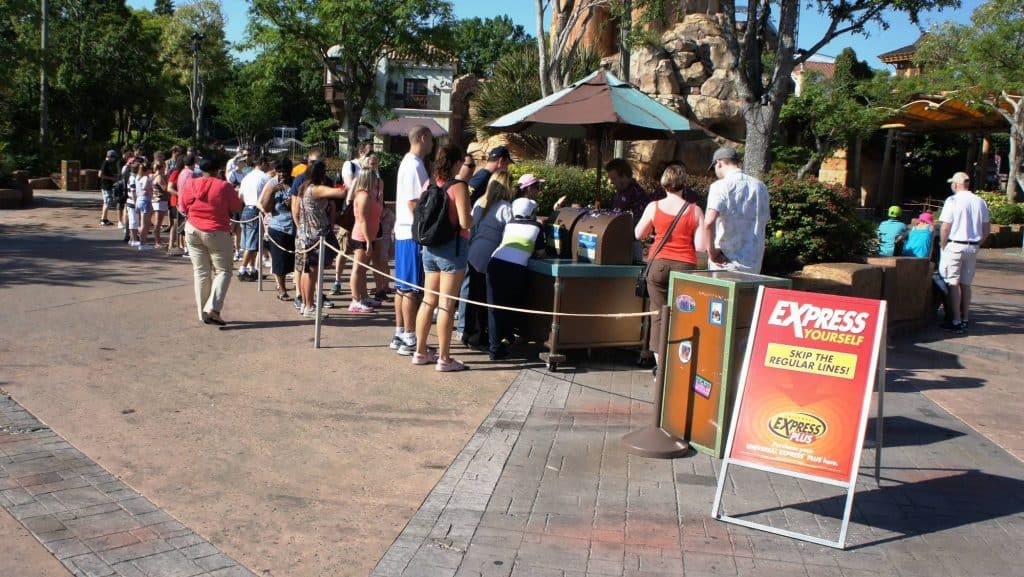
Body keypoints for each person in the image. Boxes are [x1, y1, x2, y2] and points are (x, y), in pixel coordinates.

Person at [634, 165, 706, 366]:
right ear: (684, 184)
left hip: (659, 266)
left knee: (658, 314)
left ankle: (661, 365)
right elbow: (701, 246)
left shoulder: (654, 207)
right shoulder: (695, 210)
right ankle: (681, 363)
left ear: (663, 183)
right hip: (686, 268)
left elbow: (638, 234)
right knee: (683, 315)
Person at [412, 145, 474, 372]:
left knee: (428, 301)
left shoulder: (429, 183)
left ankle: (420, 351)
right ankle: (445, 358)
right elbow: (465, 222)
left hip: (430, 248)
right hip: (452, 249)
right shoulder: (458, 186)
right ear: (457, 163)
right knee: (447, 305)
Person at [179, 156, 243, 326]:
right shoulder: (224, 186)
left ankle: (203, 312)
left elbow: (183, 206)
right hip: (217, 231)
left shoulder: (191, 183)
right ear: (218, 169)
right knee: (223, 271)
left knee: (201, 272)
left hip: (192, 228)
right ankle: (212, 309)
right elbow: (236, 207)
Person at [487, 198, 548, 360]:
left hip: (494, 264)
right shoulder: (537, 227)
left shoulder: (510, 224)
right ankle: (505, 340)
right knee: (511, 305)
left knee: (494, 308)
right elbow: (541, 253)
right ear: (531, 213)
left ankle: (495, 347)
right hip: (515, 269)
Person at [392, 125, 434, 355]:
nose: (432, 146)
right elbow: (413, 202)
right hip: (411, 233)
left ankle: (401, 333)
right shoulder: (414, 165)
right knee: (410, 289)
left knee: (402, 287)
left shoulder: (410, 163)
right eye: (431, 141)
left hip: (405, 232)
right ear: (423, 138)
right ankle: (409, 336)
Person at [462, 170, 515, 348]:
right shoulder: (506, 208)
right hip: (490, 254)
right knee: (486, 299)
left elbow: (471, 227)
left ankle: (468, 333)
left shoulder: (480, 202)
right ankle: (481, 335)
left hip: (473, 251)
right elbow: (511, 234)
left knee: (472, 296)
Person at [292, 161, 346, 319]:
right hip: (314, 237)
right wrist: (352, 182)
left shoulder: (303, 187)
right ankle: (309, 306)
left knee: (305, 271)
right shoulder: (315, 189)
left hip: (303, 235)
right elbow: (340, 194)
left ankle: (304, 303)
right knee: (311, 273)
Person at [702, 147, 771, 272]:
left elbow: (709, 222)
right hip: (753, 263)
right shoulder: (761, 187)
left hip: (725, 262)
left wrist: (712, 253)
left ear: (719, 163)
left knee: (719, 292)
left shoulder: (720, 186)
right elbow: (763, 221)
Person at [938, 171, 990, 333]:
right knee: (966, 284)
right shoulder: (980, 201)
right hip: (972, 246)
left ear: (957, 184)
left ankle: (956, 320)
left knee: (953, 282)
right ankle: (965, 318)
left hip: (955, 245)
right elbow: (986, 230)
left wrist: (943, 244)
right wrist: (977, 243)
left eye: (952, 183)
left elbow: (945, 226)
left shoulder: (952, 200)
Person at [348, 166, 384, 313]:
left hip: (371, 235)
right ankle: (355, 300)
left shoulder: (372, 194)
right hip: (362, 236)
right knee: (358, 268)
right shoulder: (363, 195)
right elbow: (362, 220)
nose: (377, 179)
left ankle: (363, 296)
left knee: (363, 269)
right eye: (374, 177)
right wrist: (368, 240)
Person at [259, 158, 295, 301]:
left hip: (295, 227)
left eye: (284, 172)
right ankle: (281, 288)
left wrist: (292, 201)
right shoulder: (272, 184)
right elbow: (266, 208)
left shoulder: (296, 183)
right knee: (279, 261)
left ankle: (299, 290)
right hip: (277, 227)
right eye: (279, 172)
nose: (282, 175)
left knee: (292, 261)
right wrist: (272, 192)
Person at [237, 156, 271, 281]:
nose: (268, 166)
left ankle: (252, 269)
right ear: (262, 163)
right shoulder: (265, 177)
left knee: (250, 242)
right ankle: (242, 269)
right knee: (252, 243)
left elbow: (240, 196)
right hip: (256, 210)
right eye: (267, 164)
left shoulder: (246, 177)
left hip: (246, 209)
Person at [98, 149, 119, 226]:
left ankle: (105, 218)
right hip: (105, 186)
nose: (114, 159)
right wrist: (112, 178)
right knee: (107, 202)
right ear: (110, 157)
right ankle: (103, 219)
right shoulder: (105, 163)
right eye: (114, 158)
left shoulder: (108, 164)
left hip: (108, 186)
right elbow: (100, 174)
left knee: (107, 202)